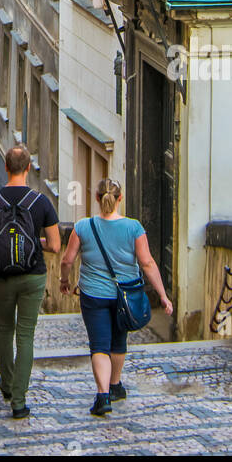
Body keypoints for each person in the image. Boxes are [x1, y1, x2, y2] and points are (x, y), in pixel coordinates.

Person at [60, 177, 173, 417]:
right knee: (118, 340)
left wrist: (64, 281)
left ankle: (102, 396)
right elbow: (147, 262)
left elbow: (67, 260)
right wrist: (163, 295)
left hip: (93, 294)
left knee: (99, 345)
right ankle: (115, 385)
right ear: (120, 198)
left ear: (97, 199)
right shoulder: (134, 228)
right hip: (126, 294)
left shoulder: (83, 227)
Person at [0, 144, 60, 420]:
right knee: (26, 335)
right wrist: (35, 242)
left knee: (4, 330)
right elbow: (57, 246)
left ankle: (7, 384)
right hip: (32, 274)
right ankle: (19, 401)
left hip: (1, 277)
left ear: (5, 167)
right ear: (28, 168)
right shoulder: (41, 202)